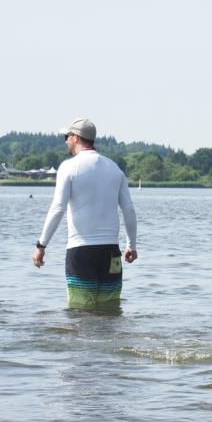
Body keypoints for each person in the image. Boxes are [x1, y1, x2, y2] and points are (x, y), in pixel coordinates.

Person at [32, 119, 138, 309]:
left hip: (81, 251)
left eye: (67, 137)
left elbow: (58, 208)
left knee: (81, 313)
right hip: (111, 252)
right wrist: (131, 245)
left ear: (76, 137)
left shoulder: (68, 167)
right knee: (110, 311)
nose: (65, 141)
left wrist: (41, 245)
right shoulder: (115, 168)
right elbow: (128, 209)